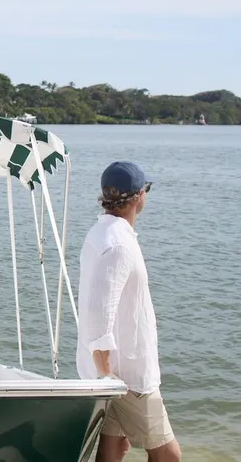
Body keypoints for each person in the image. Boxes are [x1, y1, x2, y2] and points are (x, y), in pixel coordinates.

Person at [76, 161, 181, 462]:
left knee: (114, 447)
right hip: (128, 378)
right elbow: (99, 311)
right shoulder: (119, 245)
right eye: (146, 189)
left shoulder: (101, 232)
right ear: (137, 197)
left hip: (110, 374)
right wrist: (107, 372)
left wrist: (103, 372)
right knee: (168, 455)